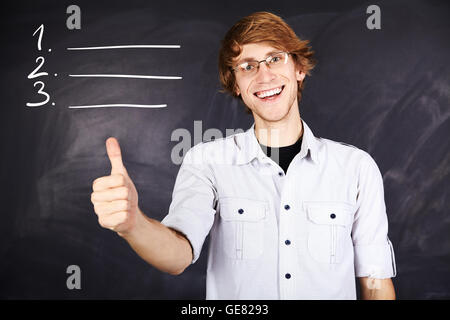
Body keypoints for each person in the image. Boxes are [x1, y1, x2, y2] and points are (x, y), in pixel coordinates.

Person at [90, 11, 396, 300]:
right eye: (248, 66)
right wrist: (133, 225)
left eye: (275, 59)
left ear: (298, 69)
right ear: (235, 84)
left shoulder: (356, 168)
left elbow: (375, 281)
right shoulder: (206, 163)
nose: (264, 76)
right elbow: (177, 256)